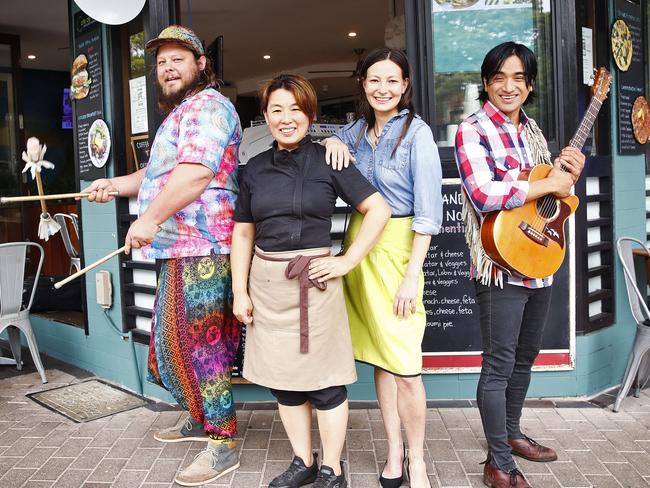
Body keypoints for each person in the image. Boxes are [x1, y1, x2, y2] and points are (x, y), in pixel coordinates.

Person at [83, 25, 243, 486]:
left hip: (206, 247)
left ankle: (222, 442)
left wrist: (148, 219)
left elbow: (194, 175)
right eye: (161, 61)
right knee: (172, 347)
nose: (168, 67)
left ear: (201, 64)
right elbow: (158, 174)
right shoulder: (181, 113)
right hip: (179, 248)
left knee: (205, 346)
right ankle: (199, 416)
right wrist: (113, 186)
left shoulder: (210, 107)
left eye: (178, 58)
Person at [231, 74, 390, 488]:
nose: (287, 118)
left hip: (317, 284)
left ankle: (332, 469)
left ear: (310, 114)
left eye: (295, 109)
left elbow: (378, 210)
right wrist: (239, 290)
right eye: (277, 110)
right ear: (265, 116)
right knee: (284, 385)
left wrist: (346, 261)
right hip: (267, 287)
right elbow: (243, 233)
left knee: (325, 385)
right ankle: (302, 461)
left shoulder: (329, 160)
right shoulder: (252, 170)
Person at [454, 42, 585, 488]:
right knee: (499, 363)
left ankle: (509, 435)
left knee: (526, 357)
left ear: (529, 85)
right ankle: (498, 462)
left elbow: (552, 197)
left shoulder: (535, 133)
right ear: (487, 83)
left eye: (518, 79)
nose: (508, 87)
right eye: (498, 78)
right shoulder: (471, 130)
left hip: (539, 258)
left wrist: (568, 177)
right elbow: (483, 194)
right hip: (498, 263)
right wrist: (546, 181)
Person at [323, 48, 443, 488]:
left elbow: (428, 215)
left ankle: (419, 461)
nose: (383, 89)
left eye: (392, 81)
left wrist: (412, 275)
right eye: (374, 80)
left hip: (397, 251)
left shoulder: (419, 135)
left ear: (406, 86)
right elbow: (325, 144)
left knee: (406, 364)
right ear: (363, 84)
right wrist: (332, 140)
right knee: (382, 357)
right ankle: (393, 452)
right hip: (358, 245)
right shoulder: (356, 130)